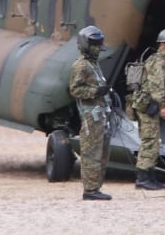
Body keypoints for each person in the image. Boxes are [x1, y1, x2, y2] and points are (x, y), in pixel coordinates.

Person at [68, 25, 113, 200]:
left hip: (101, 114)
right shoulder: (81, 66)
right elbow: (75, 90)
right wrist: (95, 92)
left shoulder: (93, 65)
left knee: (102, 151)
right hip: (90, 116)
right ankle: (90, 189)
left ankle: (96, 187)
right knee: (91, 152)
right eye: (94, 45)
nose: (97, 49)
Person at [133, 28, 165, 190]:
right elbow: (156, 87)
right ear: (163, 45)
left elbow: (157, 84)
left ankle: (149, 176)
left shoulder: (158, 61)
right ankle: (143, 178)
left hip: (147, 105)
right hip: (148, 106)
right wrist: (162, 106)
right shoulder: (158, 61)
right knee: (149, 141)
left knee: (153, 141)